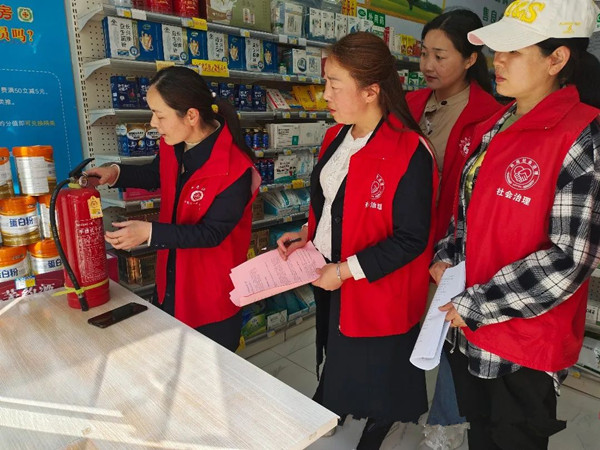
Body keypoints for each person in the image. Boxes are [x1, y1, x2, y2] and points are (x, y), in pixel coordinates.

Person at [430, 1, 600, 448]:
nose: (497, 61)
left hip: (523, 344)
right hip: (471, 329)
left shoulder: (580, 136)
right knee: (480, 434)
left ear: (556, 59)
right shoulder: (497, 124)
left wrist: (476, 303)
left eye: (513, 51)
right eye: (497, 50)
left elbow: (569, 259)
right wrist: (447, 255)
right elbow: (469, 214)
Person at [277, 32, 438, 449]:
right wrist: (308, 235)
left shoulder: (410, 151)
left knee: (378, 362)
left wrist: (345, 270)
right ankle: (339, 401)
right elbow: (334, 203)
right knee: (338, 346)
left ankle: (380, 419)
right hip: (329, 271)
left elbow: (411, 239)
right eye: (325, 82)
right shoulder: (336, 137)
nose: (324, 94)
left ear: (371, 91)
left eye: (334, 84)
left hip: (375, 282)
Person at [86, 66, 260, 352]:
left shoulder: (234, 169)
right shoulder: (174, 143)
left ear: (191, 115)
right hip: (171, 279)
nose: (153, 123)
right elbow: (157, 173)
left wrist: (150, 233)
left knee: (208, 368)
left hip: (210, 296)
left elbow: (212, 234)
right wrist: (116, 173)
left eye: (160, 115)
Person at [405, 9, 502, 450]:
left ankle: (446, 421)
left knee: (448, 330)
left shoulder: (489, 115)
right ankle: (397, 400)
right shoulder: (409, 104)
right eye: (424, 53)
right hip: (405, 238)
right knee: (406, 322)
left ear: (470, 59)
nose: (427, 64)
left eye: (440, 55)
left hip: (455, 245)